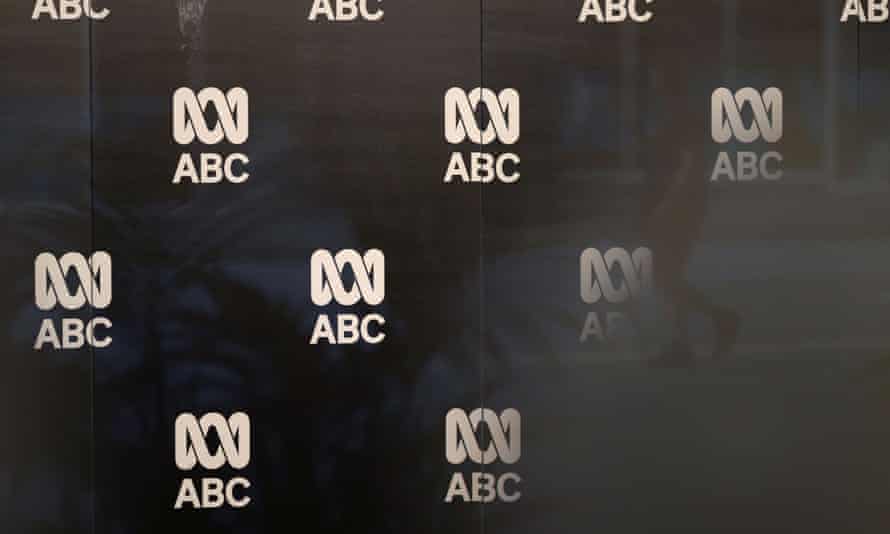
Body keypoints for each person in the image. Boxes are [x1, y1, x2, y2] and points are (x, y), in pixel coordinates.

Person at [641, 62, 740, 366]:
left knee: (664, 276)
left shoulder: (682, 115)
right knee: (670, 275)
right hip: (680, 203)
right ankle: (682, 342)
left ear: (669, 82)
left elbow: (690, 164)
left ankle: (720, 319)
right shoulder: (672, 113)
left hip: (682, 205)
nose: (652, 81)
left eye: (656, 76)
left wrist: (667, 204)